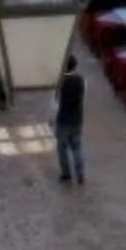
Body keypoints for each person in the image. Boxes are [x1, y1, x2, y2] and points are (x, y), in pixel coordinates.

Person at [54, 53, 87, 185]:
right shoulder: (81, 80)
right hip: (77, 119)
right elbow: (83, 97)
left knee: (62, 148)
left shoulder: (61, 82)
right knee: (77, 146)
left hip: (63, 120)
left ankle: (66, 173)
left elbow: (55, 102)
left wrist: (52, 119)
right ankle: (80, 172)